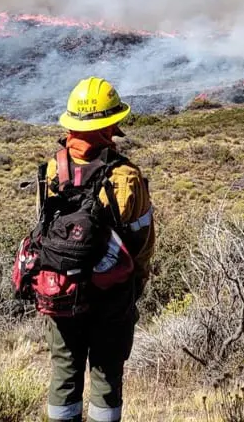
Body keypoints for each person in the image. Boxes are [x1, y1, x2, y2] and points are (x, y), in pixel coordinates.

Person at [40, 76, 156, 422]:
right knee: (106, 375)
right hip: (112, 294)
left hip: (61, 290)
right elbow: (142, 244)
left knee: (64, 371)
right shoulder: (126, 176)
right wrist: (135, 286)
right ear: (108, 127)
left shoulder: (52, 169)